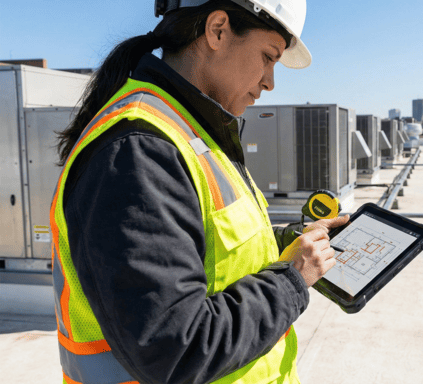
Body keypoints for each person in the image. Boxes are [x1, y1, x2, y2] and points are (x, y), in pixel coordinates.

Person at [51, 1, 348, 383]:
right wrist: (291, 279)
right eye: (268, 57)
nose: (270, 81)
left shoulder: (194, 135)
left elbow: (212, 252)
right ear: (218, 30)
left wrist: (291, 242)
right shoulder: (139, 152)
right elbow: (174, 349)